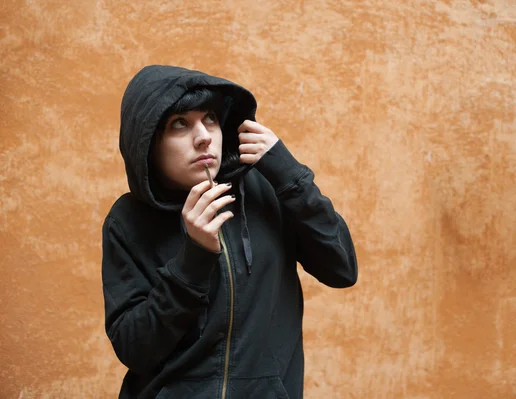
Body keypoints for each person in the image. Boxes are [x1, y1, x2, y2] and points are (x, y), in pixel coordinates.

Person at [101, 64, 358, 399]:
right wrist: (193, 259)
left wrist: (290, 177)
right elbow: (135, 348)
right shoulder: (128, 220)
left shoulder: (267, 189)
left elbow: (342, 269)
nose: (204, 135)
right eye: (179, 124)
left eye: (210, 118)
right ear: (148, 141)